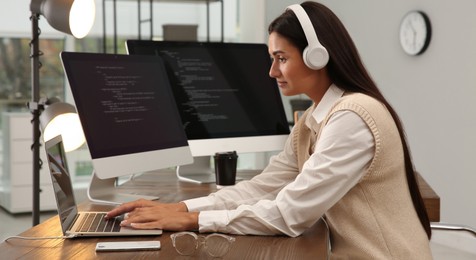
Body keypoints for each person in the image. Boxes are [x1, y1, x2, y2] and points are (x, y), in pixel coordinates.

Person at [106, 2, 432, 258]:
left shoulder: (353, 118)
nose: (272, 71)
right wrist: (180, 208)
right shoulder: (313, 120)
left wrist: (193, 221)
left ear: (317, 57)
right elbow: (262, 188)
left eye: (281, 58)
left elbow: (290, 214)